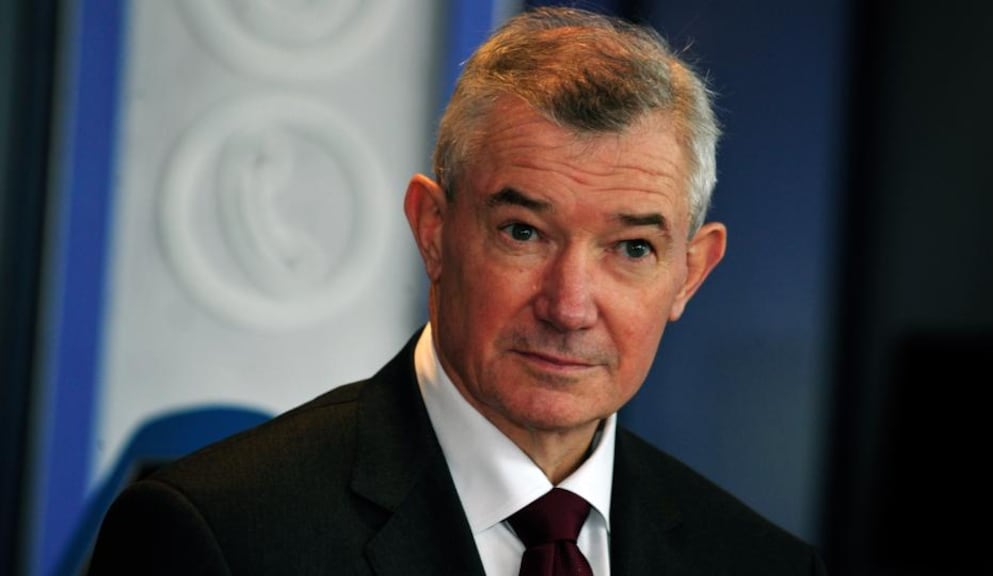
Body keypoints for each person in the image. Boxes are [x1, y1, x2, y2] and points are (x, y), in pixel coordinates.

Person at [89, 7, 826, 575]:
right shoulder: (216, 535)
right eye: (522, 233)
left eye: (632, 248)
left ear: (690, 273)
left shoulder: (763, 563)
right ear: (433, 230)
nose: (569, 307)